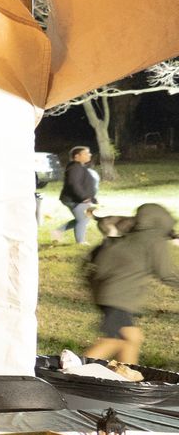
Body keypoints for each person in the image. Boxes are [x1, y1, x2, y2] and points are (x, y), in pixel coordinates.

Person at [82, 203, 179, 366]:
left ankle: (125, 378)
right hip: (119, 297)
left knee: (132, 338)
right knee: (115, 340)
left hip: (109, 294)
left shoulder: (130, 237)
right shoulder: (154, 241)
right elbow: (166, 274)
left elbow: (94, 259)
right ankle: (72, 371)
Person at [60, 146, 100, 244]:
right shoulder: (74, 167)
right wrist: (83, 197)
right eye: (86, 153)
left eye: (89, 153)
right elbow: (73, 184)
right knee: (83, 219)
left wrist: (92, 198)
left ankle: (57, 231)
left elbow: (85, 184)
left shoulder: (80, 167)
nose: (89, 155)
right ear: (77, 156)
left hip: (80, 198)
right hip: (74, 199)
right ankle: (80, 242)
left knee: (83, 218)